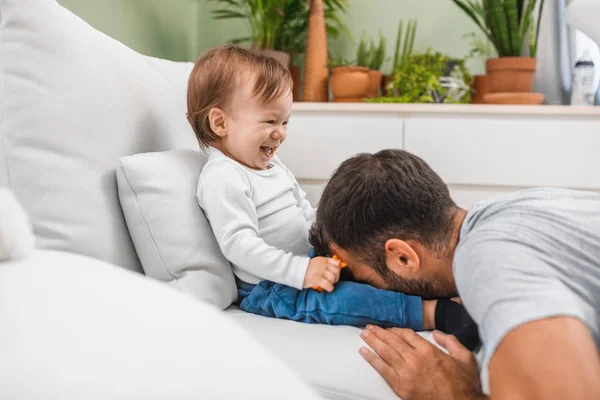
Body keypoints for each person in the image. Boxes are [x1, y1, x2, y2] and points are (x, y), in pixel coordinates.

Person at [185, 45, 478, 345]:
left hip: (311, 261)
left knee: (372, 263)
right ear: (220, 123)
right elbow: (239, 245)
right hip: (273, 286)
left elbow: (302, 207)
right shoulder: (223, 177)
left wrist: (332, 240)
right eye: (270, 121)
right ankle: (432, 313)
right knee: (345, 301)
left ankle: (436, 286)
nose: (281, 133)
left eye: (285, 122)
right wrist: (300, 271)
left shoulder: (272, 166)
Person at [309, 148, 600, 399]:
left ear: (403, 257)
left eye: (368, 281)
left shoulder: (485, 259)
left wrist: (459, 396)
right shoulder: (509, 210)